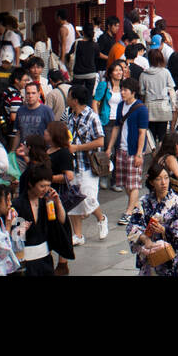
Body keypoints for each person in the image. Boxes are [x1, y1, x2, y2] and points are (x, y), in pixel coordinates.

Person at [126, 161, 178, 276]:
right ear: (151, 182)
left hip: (169, 256)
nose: (163, 183)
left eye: (166, 178)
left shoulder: (176, 203)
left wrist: (164, 230)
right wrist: (145, 239)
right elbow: (132, 227)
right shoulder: (143, 202)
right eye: (159, 179)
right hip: (149, 254)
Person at [65, 85, 110, 242]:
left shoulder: (92, 117)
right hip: (73, 165)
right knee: (72, 200)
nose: (67, 99)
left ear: (75, 100)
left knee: (88, 197)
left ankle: (101, 218)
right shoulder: (70, 117)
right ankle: (77, 235)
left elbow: (100, 141)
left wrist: (77, 147)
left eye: (69, 96)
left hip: (88, 165)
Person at [107, 79, 151, 223]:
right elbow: (116, 127)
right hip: (121, 149)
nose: (122, 93)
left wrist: (139, 153)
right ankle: (137, 206)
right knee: (126, 182)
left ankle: (129, 211)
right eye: (122, 90)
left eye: (125, 90)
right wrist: (109, 147)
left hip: (134, 151)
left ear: (133, 92)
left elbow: (142, 133)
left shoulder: (141, 109)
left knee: (133, 183)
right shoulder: (120, 106)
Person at [140, 48, 176, 144]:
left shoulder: (144, 74)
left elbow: (142, 92)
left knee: (150, 135)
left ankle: (154, 153)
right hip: (163, 105)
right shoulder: (166, 72)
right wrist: (174, 106)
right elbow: (171, 89)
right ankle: (161, 154)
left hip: (149, 106)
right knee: (162, 134)